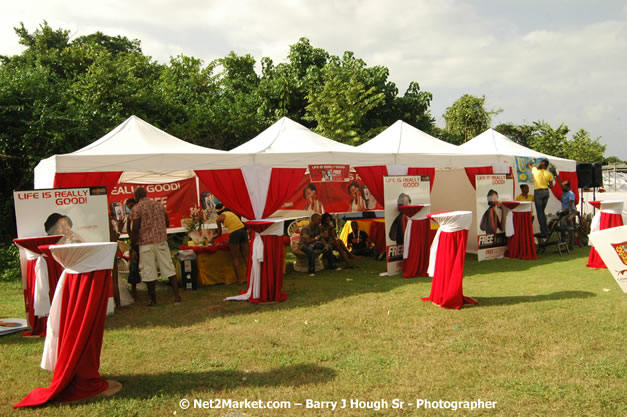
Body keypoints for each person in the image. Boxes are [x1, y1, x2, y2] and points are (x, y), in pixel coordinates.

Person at [129, 186, 181, 306]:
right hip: (161, 241)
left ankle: (153, 301)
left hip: (145, 244)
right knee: (169, 267)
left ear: (136, 197)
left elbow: (135, 228)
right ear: (146, 194)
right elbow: (167, 222)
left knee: (149, 271)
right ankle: (177, 296)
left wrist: (133, 245)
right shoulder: (159, 205)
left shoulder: (136, 208)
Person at [213, 204, 249, 284]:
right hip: (243, 230)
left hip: (234, 233)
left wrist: (213, 237)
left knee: (235, 258)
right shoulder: (231, 213)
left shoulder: (219, 218)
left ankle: (239, 280)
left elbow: (219, 233)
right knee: (246, 256)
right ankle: (251, 278)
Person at [528, 158, 554, 236]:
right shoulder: (549, 174)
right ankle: (546, 229)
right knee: (542, 212)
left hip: (538, 192)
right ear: (546, 166)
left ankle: (544, 231)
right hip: (546, 192)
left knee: (540, 213)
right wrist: (546, 184)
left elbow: (529, 165)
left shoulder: (536, 170)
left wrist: (533, 161)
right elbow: (551, 186)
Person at [556, 177, 576, 250]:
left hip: (571, 210)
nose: (562, 187)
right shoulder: (564, 192)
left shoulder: (571, 193)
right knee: (565, 225)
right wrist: (556, 176)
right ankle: (564, 241)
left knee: (566, 223)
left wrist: (570, 212)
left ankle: (568, 243)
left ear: (567, 186)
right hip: (564, 211)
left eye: (563, 186)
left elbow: (571, 202)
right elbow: (560, 183)